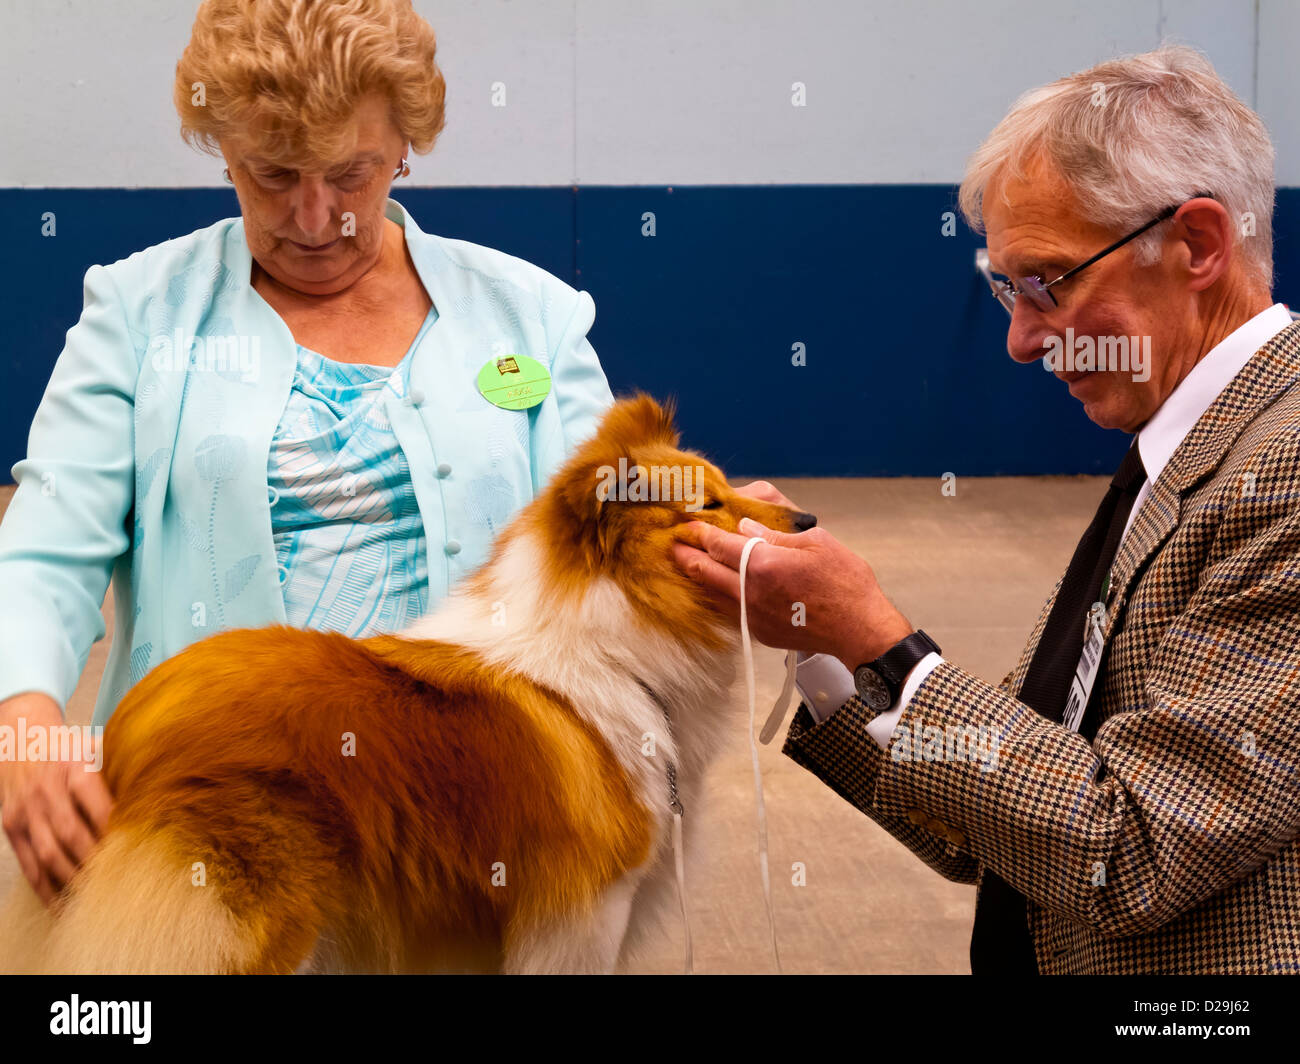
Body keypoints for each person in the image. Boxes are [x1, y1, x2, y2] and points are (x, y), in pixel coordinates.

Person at [674, 45, 1300, 974]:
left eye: (1049, 282)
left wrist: (887, 645)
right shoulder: (1177, 457)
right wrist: (830, 640)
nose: (1019, 340)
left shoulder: (1282, 472)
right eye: (1005, 288)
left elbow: (1123, 849)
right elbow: (1007, 821)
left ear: (1198, 245)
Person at [0, 0, 612, 907]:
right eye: (272, 174)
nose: (317, 217)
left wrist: (710, 531)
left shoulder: (533, 319)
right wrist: (26, 725)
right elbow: (46, 551)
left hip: (470, 833)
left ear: (406, 145)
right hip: (215, 827)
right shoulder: (140, 314)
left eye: (352, 173)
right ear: (222, 150)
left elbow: (607, 550)